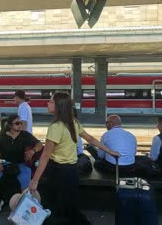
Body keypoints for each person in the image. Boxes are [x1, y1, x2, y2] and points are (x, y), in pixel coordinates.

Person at [28, 92, 119, 224]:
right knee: (69, 205)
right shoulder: (73, 122)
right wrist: (109, 151)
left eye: (51, 101)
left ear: (59, 106)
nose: (47, 103)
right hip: (71, 171)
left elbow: (46, 155)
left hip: (58, 172)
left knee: (57, 207)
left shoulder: (55, 127)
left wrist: (34, 180)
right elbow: (90, 139)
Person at [0, 114, 43, 214]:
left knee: (26, 180)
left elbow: (39, 144)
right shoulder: (3, 137)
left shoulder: (25, 135)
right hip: (5, 163)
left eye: (20, 123)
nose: (20, 125)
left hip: (21, 163)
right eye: (17, 123)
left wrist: (33, 151)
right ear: (10, 125)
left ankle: (24, 206)